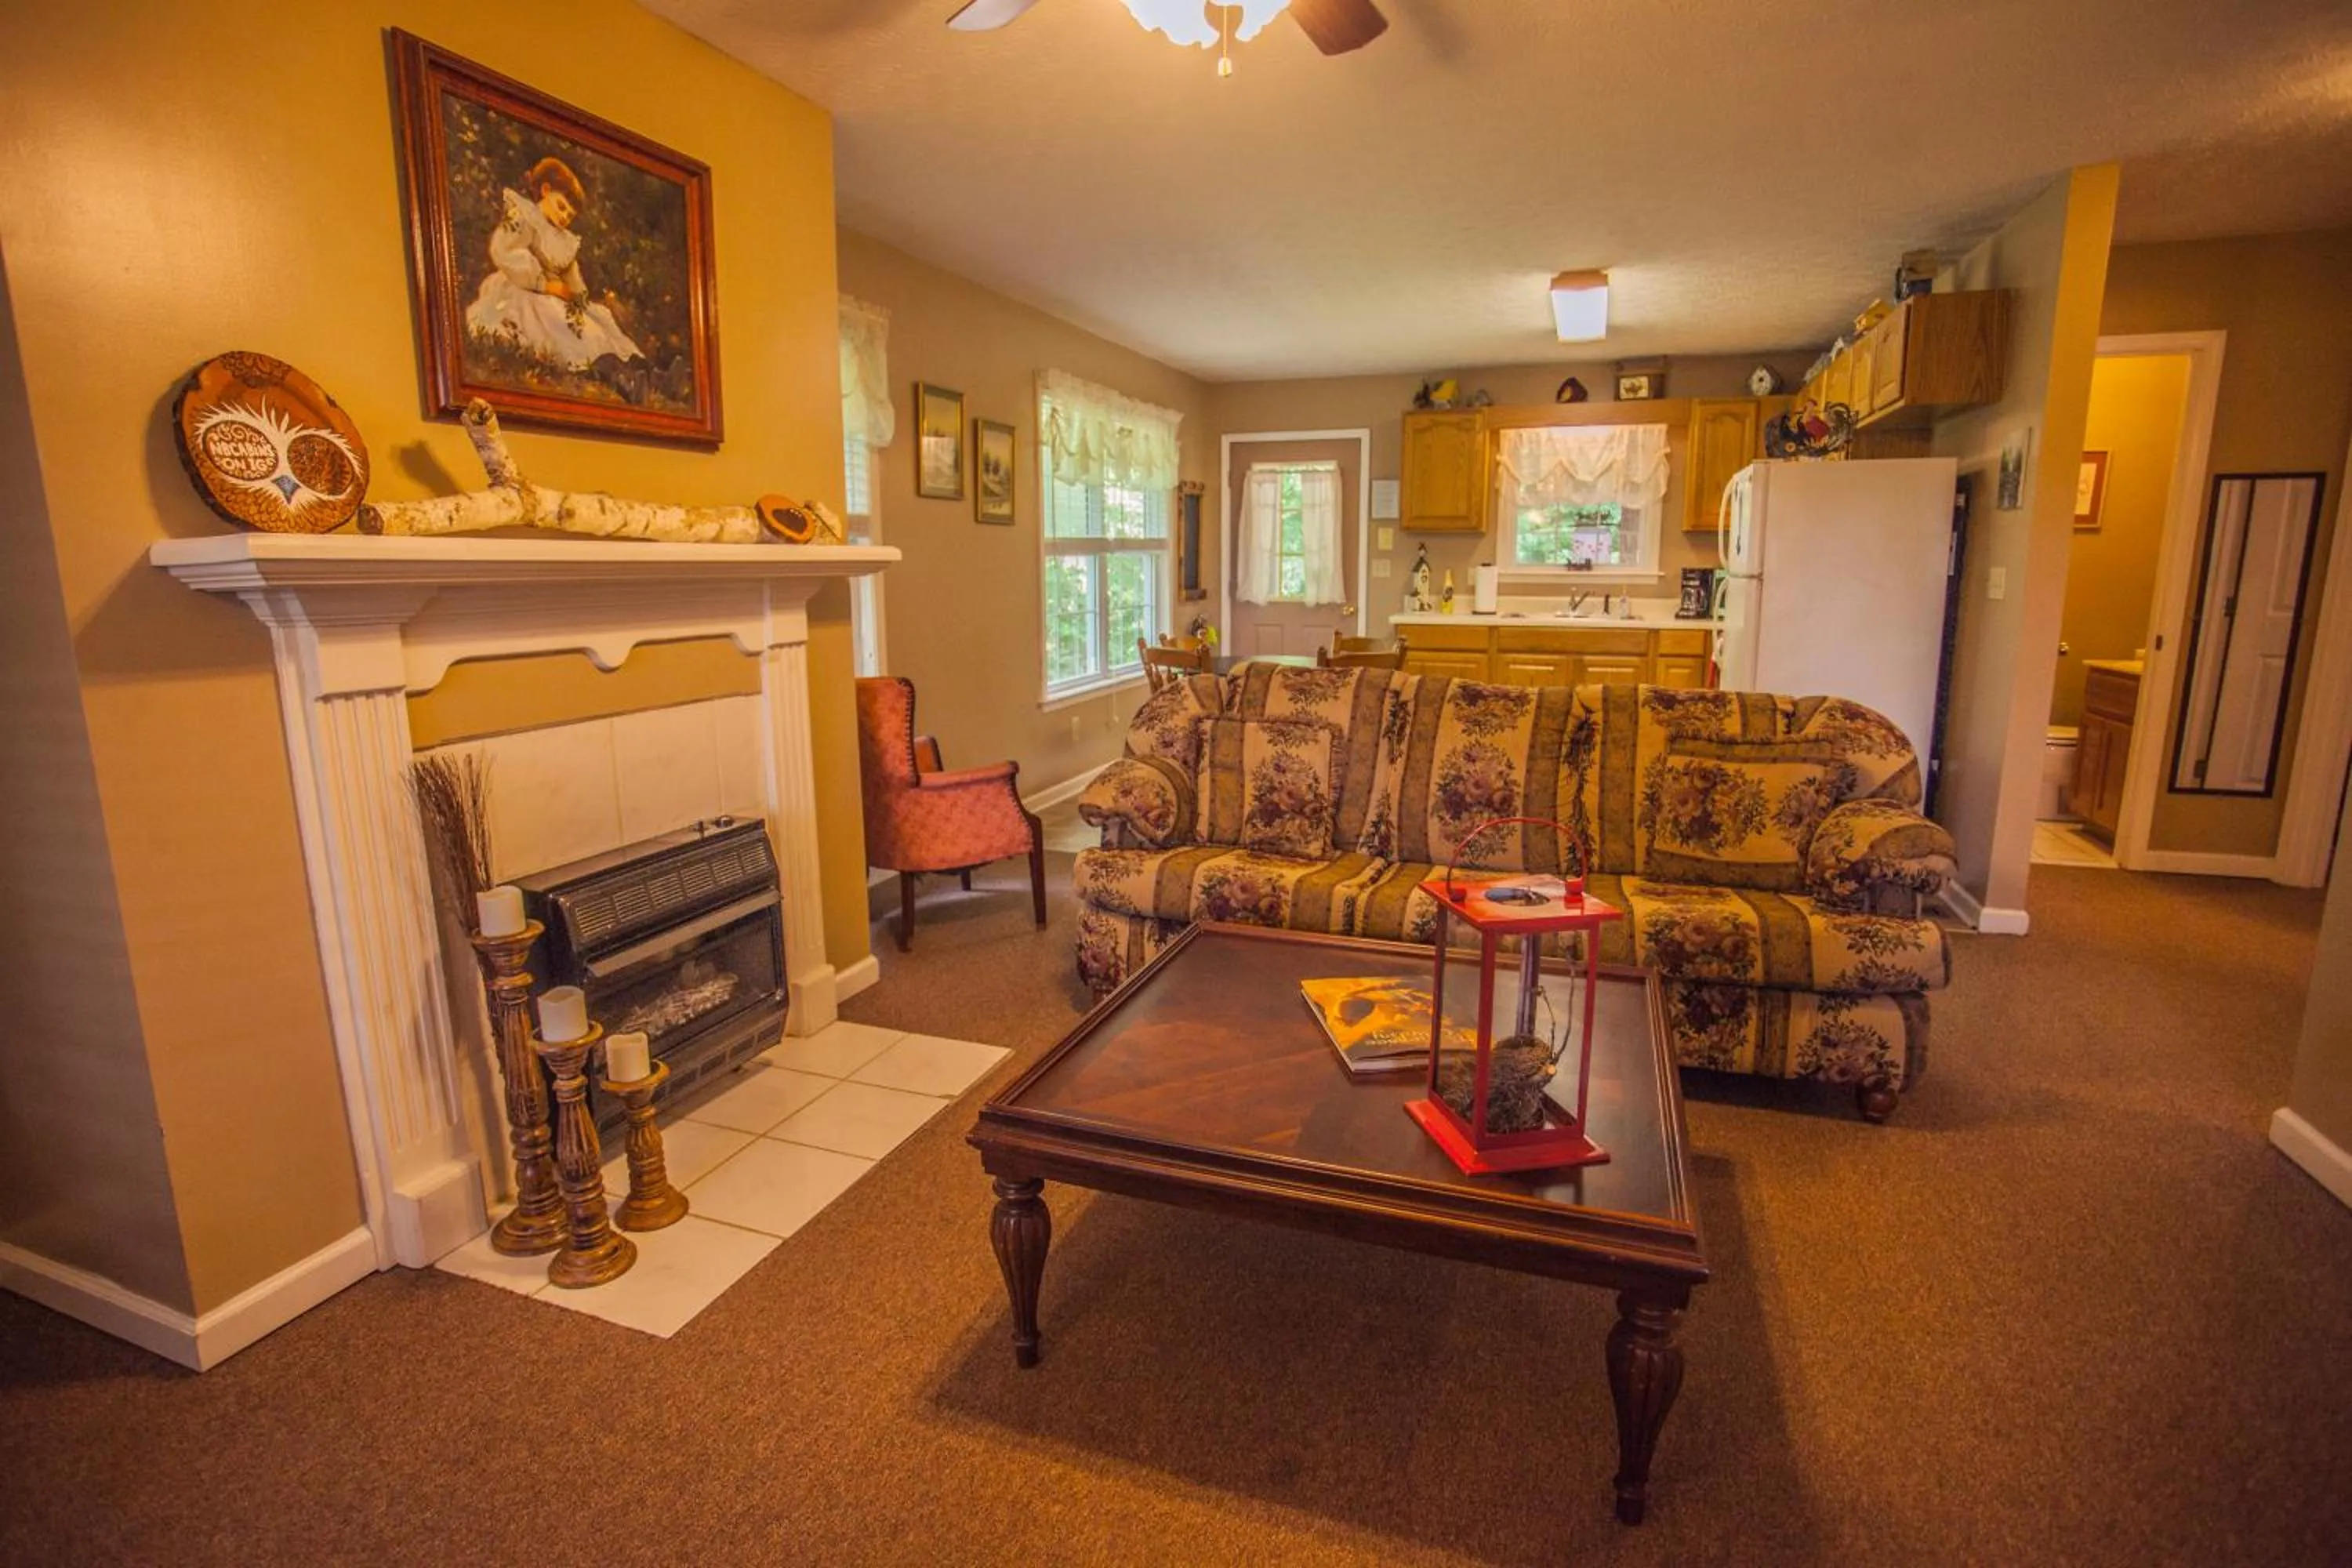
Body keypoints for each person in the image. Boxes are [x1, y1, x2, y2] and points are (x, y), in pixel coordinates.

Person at [465, 155, 643, 372]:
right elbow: (504, 250)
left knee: (591, 324)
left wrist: (577, 295)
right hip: (524, 290)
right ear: (546, 190)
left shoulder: (564, 240)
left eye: (569, 215)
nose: (564, 217)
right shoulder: (526, 218)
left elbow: (571, 273)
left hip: (556, 295)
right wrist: (544, 285)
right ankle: (598, 365)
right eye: (561, 207)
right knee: (554, 319)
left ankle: (621, 365)